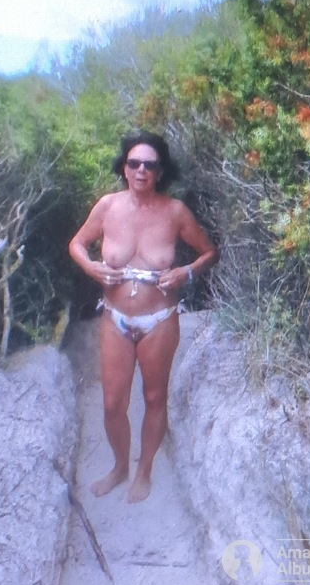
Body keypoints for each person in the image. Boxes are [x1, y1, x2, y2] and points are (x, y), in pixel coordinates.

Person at [69, 130, 218, 503]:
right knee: (112, 403)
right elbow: (77, 244)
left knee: (154, 397)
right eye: (134, 163)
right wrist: (91, 267)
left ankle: (144, 470)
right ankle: (120, 466)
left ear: (160, 171)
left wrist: (184, 273)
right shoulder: (107, 207)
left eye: (150, 165)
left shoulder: (175, 212)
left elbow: (208, 252)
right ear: (124, 167)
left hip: (160, 320)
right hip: (115, 318)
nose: (141, 170)